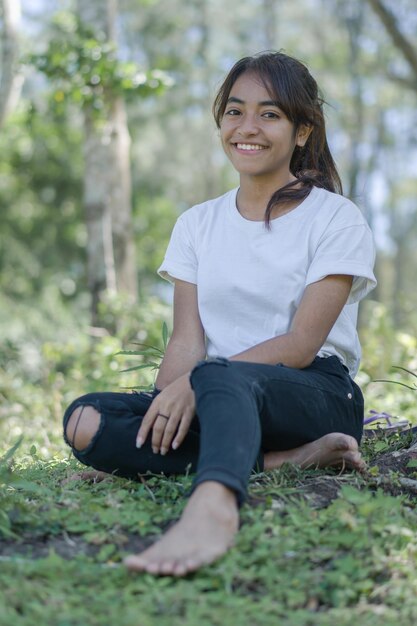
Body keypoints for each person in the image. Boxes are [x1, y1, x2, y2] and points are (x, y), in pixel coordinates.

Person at [63, 51, 376, 577]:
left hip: (316, 390)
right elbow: (187, 340)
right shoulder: (197, 224)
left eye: (270, 114)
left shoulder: (335, 218)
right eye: (235, 111)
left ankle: (213, 507)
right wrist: (167, 404)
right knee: (85, 421)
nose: (247, 128)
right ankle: (285, 460)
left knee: (220, 380)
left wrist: (208, 378)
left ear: (302, 131)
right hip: (218, 392)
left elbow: (300, 344)